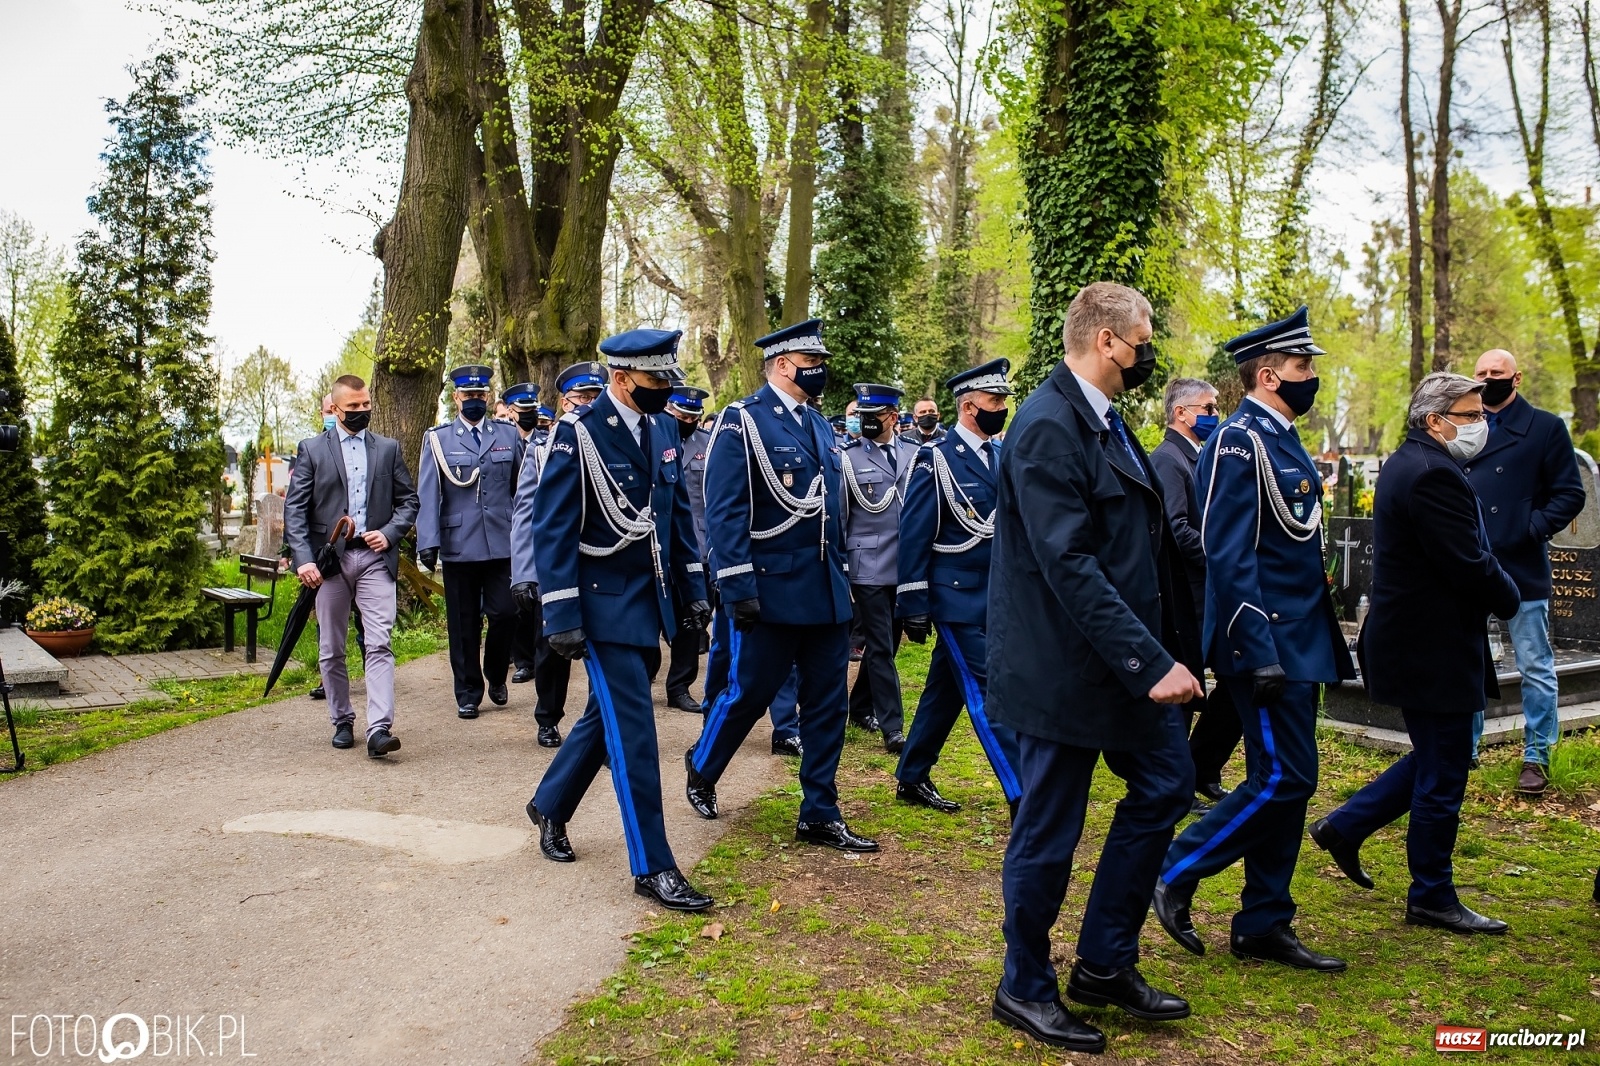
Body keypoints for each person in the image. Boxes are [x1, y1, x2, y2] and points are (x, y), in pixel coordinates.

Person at [988, 282, 1203, 1053]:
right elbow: (1069, 563)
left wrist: (1169, 649)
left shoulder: (1104, 421)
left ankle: (1106, 963)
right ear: (1107, 341)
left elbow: (1132, 552)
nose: (1148, 354)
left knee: (1167, 784)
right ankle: (1023, 985)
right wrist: (1151, 660)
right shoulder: (1049, 425)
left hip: (1123, 662)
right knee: (1048, 831)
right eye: (1143, 341)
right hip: (1063, 669)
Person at [1153, 305, 1356, 973]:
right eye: (1302, 368)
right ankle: (1176, 867)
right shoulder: (1239, 441)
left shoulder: (1284, 436)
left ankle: (1265, 919)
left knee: (1292, 782)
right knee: (1283, 778)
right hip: (1263, 640)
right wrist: (1255, 647)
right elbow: (1229, 554)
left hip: (1299, 639)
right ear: (1267, 375)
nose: (1312, 377)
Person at [1309, 373, 1520, 935]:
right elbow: (1469, 561)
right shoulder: (1432, 475)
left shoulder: (1416, 462)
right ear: (1435, 420)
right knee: (1445, 769)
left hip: (1423, 641)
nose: (1483, 423)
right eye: (1472, 414)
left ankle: (1344, 827)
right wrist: (1510, 593)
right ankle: (1431, 894)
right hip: (1432, 647)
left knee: (1435, 756)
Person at [524, 328, 714, 911]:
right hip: (601, 605)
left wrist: (692, 588)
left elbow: (674, 513)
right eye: (656, 381)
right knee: (636, 733)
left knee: (603, 718)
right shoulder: (576, 436)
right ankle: (653, 865)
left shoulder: (660, 428)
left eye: (668, 381)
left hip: (649, 599)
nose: (665, 391)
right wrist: (560, 612)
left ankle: (551, 803)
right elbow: (551, 527)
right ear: (622, 378)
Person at [687, 318, 876, 853]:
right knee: (749, 694)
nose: (819, 373)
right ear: (783, 365)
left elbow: (830, 514)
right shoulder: (742, 422)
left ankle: (819, 808)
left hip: (824, 590)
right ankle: (702, 766)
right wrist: (736, 584)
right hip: (769, 590)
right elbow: (725, 511)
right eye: (811, 365)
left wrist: (845, 582)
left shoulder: (818, 425)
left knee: (827, 705)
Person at [894, 358, 1022, 817]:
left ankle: (911, 774)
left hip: (994, 594)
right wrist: (913, 600)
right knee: (988, 691)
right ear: (969, 407)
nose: (1002, 408)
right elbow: (913, 534)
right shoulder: (936, 460)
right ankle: (1022, 792)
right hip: (955, 594)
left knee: (944, 689)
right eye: (994, 401)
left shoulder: (1000, 454)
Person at [1466, 349, 1585, 793]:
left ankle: (1536, 754)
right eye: (1481, 373)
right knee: (1469, 659)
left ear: (1516, 378)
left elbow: (1569, 495)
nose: (1488, 378)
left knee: (1535, 663)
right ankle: (1466, 746)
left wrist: (1528, 528)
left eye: (1496, 373)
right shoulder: (1462, 424)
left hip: (1521, 563)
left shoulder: (1546, 427)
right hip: (1473, 564)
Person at [284, 374, 420, 757]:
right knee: (331, 648)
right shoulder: (312, 450)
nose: (362, 412)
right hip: (330, 562)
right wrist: (304, 560)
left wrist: (391, 532)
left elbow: (408, 501)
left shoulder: (388, 449)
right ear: (335, 408)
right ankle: (342, 718)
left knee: (379, 643)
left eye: (366, 405)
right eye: (353, 407)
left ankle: (379, 728)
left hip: (375, 558)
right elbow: (295, 510)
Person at [1149, 377, 1240, 815]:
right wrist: (1223, 556)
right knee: (1183, 693)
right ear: (1180, 413)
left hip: (1209, 593)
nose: (1213, 414)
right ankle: (1176, 786)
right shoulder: (1169, 459)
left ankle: (1201, 767)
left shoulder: (1198, 456)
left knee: (1234, 684)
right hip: (1187, 595)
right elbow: (1176, 527)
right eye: (1206, 408)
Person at [417, 365, 525, 720]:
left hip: (501, 542)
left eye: (481, 395)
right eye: (469, 396)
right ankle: (467, 690)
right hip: (459, 543)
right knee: (463, 623)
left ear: (489, 397)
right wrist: (427, 541)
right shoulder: (439, 438)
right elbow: (429, 493)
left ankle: (496, 674)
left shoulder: (508, 435)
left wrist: (525, 536)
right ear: (456, 398)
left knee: (506, 613)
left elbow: (521, 490)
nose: (475, 401)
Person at [510, 361, 607, 746]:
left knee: (606, 647)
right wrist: (524, 572)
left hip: (604, 561)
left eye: (595, 397)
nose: (589, 404)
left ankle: (601, 728)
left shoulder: (617, 443)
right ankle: (548, 718)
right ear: (566, 403)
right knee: (551, 647)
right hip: (559, 566)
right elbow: (525, 514)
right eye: (581, 397)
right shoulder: (543, 447)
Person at [840, 383, 920, 752]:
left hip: (903, 567)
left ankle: (857, 707)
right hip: (868, 565)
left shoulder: (914, 453)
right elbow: (841, 516)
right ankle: (893, 726)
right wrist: (842, 566)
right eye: (861, 416)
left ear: (891, 417)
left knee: (888, 643)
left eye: (872, 417)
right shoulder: (848, 458)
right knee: (881, 646)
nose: (865, 422)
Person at [308, 391, 365, 702]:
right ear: (324, 413)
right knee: (328, 622)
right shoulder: (313, 450)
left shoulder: (367, 448)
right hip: (329, 555)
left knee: (366, 620)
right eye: (328, 409)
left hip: (363, 548)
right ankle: (325, 676)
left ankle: (372, 662)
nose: (333, 413)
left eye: (336, 408)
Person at [663, 385, 713, 715]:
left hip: (695, 546)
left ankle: (680, 685)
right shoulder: (653, 438)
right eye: (681, 416)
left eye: (693, 417)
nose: (687, 421)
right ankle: (644, 672)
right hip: (653, 543)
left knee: (690, 619)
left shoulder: (708, 446)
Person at [503, 381, 545, 689]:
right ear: (511, 412)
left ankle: (535, 655)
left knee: (537, 600)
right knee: (516, 601)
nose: (528, 415)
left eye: (532, 410)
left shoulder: (545, 442)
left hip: (536, 527)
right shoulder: (503, 441)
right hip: (506, 528)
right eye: (523, 410)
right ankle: (522, 660)